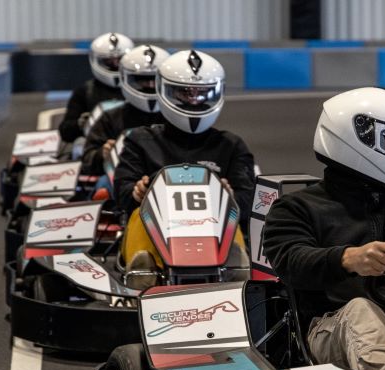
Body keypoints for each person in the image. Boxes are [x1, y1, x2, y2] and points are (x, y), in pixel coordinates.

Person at [262, 87, 385, 370]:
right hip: (331, 328)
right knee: (361, 310)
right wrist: (348, 258)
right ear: (355, 140)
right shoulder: (297, 208)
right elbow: (290, 261)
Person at [113, 49, 256, 276]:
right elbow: (121, 193)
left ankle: (235, 268)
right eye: (185, 94)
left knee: (232, 217)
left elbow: (248, 202)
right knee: (138, 214)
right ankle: (143, 272)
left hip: (214, 232)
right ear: (165, 91)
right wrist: (136, 192)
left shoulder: (230, 145)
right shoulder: (141, 140)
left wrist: (231, 198)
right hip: (156, 232)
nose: (194, 100)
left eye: (201, 94)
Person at [80, 44, 169, 177]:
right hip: (119, 180)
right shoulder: (110, 117)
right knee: (102, 187)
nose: (151, 85)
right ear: (126, 78)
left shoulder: (175, 120)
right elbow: (87, 160)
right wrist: (101, 154)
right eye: (143, 80)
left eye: (155, 80)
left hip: (168, 182)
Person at [57, 32, 134, 143]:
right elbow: (65, 132)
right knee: (80, 143)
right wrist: (81, 124)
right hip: (96, 145)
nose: (115, 64)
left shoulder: (138, 89)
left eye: (119, 60)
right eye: (109, 61)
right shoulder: (85, 91)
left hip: (132, 144)